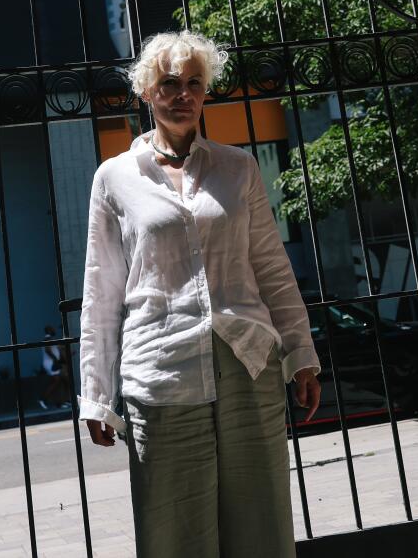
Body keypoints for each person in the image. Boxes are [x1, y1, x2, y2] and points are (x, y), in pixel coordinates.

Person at [77, 29, 321, 558]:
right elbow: (101, 289)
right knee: (173, 535)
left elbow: (272, 268)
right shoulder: (114, 179)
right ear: (146, 93)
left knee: (262, 527)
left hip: (246, 363)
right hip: (162, 373)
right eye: (168, 83)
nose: (182, 94)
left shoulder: (239, 169)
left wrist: (301, 354)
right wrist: (95, 394)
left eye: (194, 83)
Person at [39, 325, 72, 409]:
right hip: (51, 364)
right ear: (49, 330)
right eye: (52, 329)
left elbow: (58, 349)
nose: (54, 330)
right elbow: (48, 350)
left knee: (64, 381)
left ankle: (65, 401)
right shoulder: (48, 339)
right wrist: (55, 360)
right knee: (57, 381)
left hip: (52, 363)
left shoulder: (51, 339)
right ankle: (43, 399)